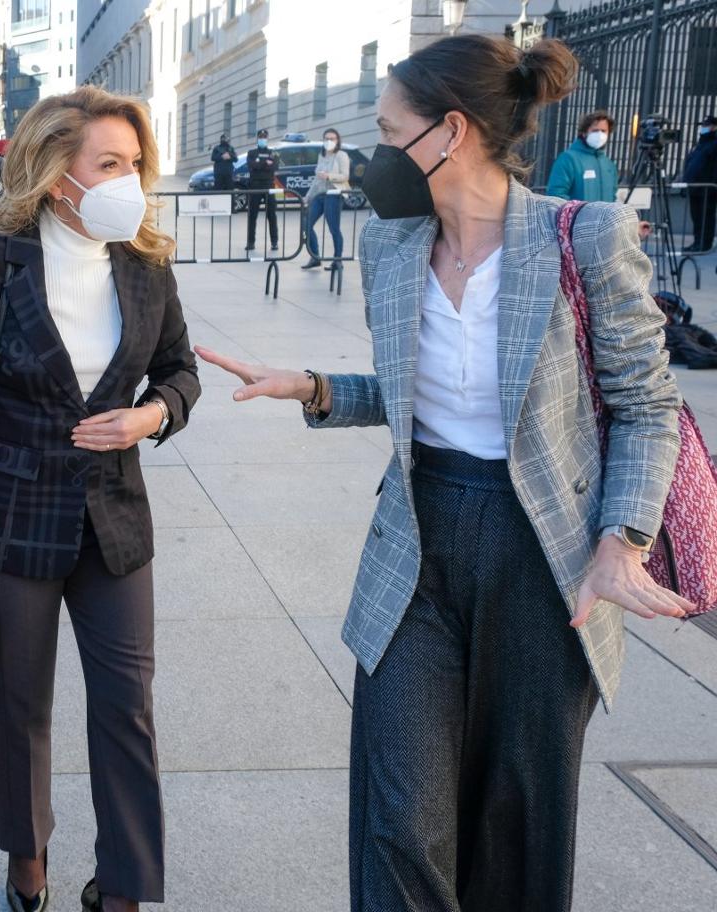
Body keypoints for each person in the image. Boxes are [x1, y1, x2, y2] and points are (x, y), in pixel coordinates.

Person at [196, 34, 689, 912]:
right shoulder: (392, 245)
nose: (377, 153)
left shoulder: (584, 237)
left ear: (450, 132)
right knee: (401, 818)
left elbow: (647, 403)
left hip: (545, 554)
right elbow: (412, 395)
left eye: (390, 132)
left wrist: (624, 541)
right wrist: (313, 387)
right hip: (417, 540)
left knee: (515, 819)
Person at [0, 85, 201, 912]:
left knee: (128, 706)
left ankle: (125, 885)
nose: (127, 181)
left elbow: (179, 370)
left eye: (134, 164)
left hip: (115, 522)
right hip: (11, 517)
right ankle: (26, 860)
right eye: (109, 164)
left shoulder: (146, 263)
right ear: (56, 171)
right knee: (20, 703)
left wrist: (151, 415)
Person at [301, 127, 349, 270]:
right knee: (306, 224)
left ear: (337, 140)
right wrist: (307, 197)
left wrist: (329, 176)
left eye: (332, 138)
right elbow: (316, 180)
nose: (329, 141)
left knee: (333, 228)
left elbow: (345, 176)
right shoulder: (321, 156)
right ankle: (315, 257)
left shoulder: (341, 155)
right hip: (319, 195)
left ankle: (337, 260)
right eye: (326, 138)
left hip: (334, 195)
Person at [546, 109, 619, 202]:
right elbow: (556, 195)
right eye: (595, 130)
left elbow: (613, 197)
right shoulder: (568, 159)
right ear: (584, 132)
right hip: (578, 212)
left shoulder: (609, 165)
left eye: (603, 131)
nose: (600, 134)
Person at [682, 114, 717, 252]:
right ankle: (697, 242)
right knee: (696, 217)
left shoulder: (714, 144)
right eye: (703, 125)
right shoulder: (700, 144)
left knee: (705, 217)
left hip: (707, 188)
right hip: (695, 187)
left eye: (706, 125)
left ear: (714, 127)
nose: (703, 128)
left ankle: (704, 243)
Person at [245, 128, 279, 252]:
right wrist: (265, 164)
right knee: (252, 215)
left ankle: (274, 242)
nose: (262, 139)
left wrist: (260, 164)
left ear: (267, 138)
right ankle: (250, 242)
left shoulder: (273, 152)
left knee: (271, 215)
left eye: (264, 137)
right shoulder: (251, 153)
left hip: (269, 186)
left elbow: (274, 167)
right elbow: (251, 166)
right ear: (257, 138)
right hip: (255, 186)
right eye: (260, 137)